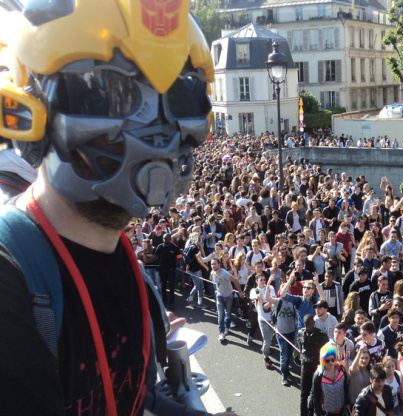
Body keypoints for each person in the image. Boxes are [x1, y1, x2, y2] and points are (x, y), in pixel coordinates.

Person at [0, 1, 241, 415]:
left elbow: (134, 400)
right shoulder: (10, 281)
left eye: (176, 95)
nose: (157, 135)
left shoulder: (129, 267)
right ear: (26, 114)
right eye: (110, 93)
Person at [299, 314, 330, 416]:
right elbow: (301, 348)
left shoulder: (321, 335)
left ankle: (311, 412)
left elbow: (325, 351)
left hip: (316, 368)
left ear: (314, 323)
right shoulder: (301, 333)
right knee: (304, 393)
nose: (309, 326)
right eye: (307, 324)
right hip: (305, 367)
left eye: (311, 324)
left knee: (315, 393)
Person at [212, 258, 245, 343]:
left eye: (215, 264)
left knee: (228, 313)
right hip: (219, 296)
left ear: (219, 265)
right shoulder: (212, 273)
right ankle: (221, 332)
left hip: (228, 296)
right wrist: (217, 290)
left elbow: (235, 281)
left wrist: (240, 292)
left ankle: (227, 327)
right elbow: (215, 283)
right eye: (212, 264)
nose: (213, 266)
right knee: (220, 314)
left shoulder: (224, 274)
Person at [312, 344, 350, 416]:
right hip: (326, 412)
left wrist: (347, 402)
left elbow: (345, 388)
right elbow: (315, 396)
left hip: (342, 411)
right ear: (323, 361)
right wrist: (317, 413)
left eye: (332, 360)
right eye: (327, 360)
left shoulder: (341, 370)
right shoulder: (318, 375)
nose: (331, 362)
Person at [155, 233, 181, 310]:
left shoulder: (175, 248)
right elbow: (155, 255)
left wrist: (182, 265)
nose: (164, 240)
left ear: (170, 239)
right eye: (163, 238)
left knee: (172, 286)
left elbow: (179, 257)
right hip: (162, 270)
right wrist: (146, 261)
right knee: (163, 286)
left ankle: (171, 303)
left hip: (171, 270)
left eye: (166, 239)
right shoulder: (160, 246)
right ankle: (164, 302)